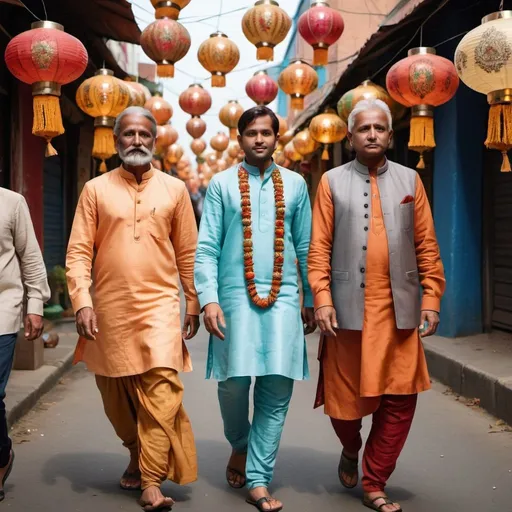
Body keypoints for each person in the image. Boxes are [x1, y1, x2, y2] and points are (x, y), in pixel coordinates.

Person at [308, 99, 445, 512]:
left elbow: (426, 244)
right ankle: (351, 447)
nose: (372, 134)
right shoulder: (331, 181)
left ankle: (375, 480)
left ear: (390, 135)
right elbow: (319, 250)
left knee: (401, 399)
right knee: (344, 405)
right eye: (363, 128)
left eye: (379, 128)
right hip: (347, 312)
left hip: (398, 309)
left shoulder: (410, 181)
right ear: (350, 138)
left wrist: (432, 298)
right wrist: (322, 299)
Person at [66, 106, 200, 511]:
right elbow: (77, 252)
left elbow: (188, 252)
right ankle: (135, 450)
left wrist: (191, 301)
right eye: (128, 134)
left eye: (144, 134)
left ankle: (151, 481)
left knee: (162, 392)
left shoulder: (174, 190)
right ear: (117, 140)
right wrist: (81, 301)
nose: (137, 141)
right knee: (116, 397)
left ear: (155, 140)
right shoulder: (95, 189)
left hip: (159, 307)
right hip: (108, 311)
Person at [194, 106, 316, 512]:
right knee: (232, 382)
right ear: (240, 138)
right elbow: (207, 246)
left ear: (276, 138)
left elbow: (305, 246)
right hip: (232, 298)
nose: (259, 139)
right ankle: (241, 444)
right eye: (251, 132)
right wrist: (208, 299)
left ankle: (258, 478)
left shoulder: (296, 185)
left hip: (282, 297)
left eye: (266, 132)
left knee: (277, 387)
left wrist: (313, 299)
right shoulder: (222, 185)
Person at [0, 188, 50, 501]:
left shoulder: (11, 202)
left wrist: (35, 306)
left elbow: (30, 257)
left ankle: (0, 458)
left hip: (2, 312)